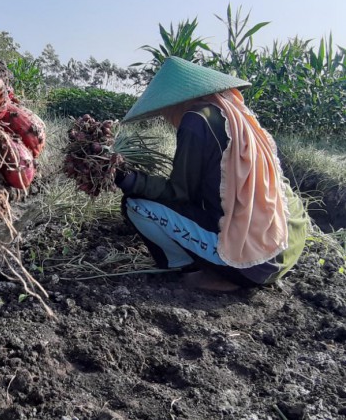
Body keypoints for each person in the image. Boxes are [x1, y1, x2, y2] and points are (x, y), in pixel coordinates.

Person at [116, 57, 308, 291]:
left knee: (135, 205)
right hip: (287, 245)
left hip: (255, 265)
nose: (165, 116)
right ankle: (223, 264)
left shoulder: (195, 120)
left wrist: (129, 179)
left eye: (163, 109)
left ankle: (197, 269)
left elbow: (180, 193)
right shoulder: (237, 114)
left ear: (175, 100)